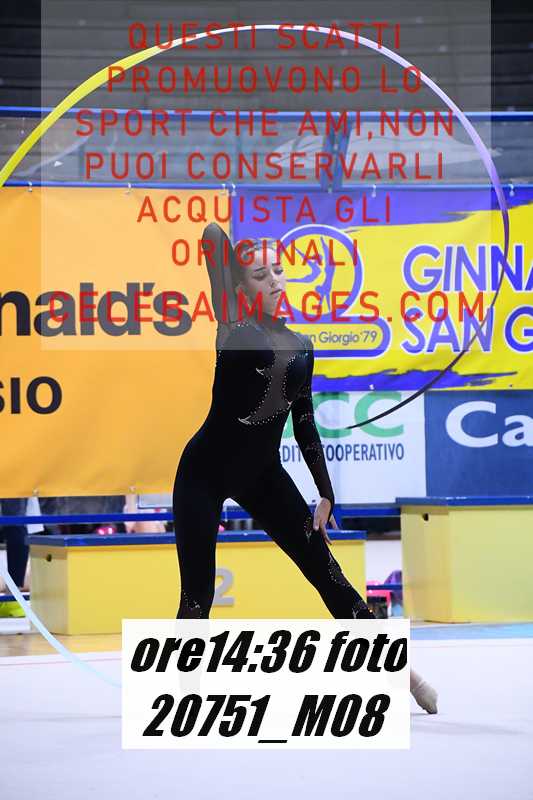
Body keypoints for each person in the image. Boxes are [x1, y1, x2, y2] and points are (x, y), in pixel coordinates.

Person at [172, 223, 437, 714]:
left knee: (328, 573)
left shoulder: (302, 346)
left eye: (278, 271)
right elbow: (211, 237)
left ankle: (403, 674)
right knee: (196, 596)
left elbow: (305, 422)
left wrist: (325, 492)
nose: (274, 280)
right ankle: (183, 696)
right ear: (239, 288)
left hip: (263, 475)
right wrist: (235, 268)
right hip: (202, 474)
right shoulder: (233, 328)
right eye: (260, 275)